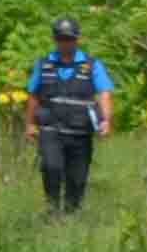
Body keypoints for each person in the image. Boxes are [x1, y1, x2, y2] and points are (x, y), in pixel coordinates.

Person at [28, 15, 115, 216]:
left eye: (69, 39)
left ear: (77, 39)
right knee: (51, 167)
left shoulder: (92, 65)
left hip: (80, 133)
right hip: (51, 130)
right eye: (61, 39)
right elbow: (33, 96)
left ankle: (70, 216)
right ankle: (52, 210)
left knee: (77, 180)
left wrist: (106, 121)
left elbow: (104, 94)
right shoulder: (44, 65)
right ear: (55, 39)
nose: (65, 43)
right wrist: (30, 124)